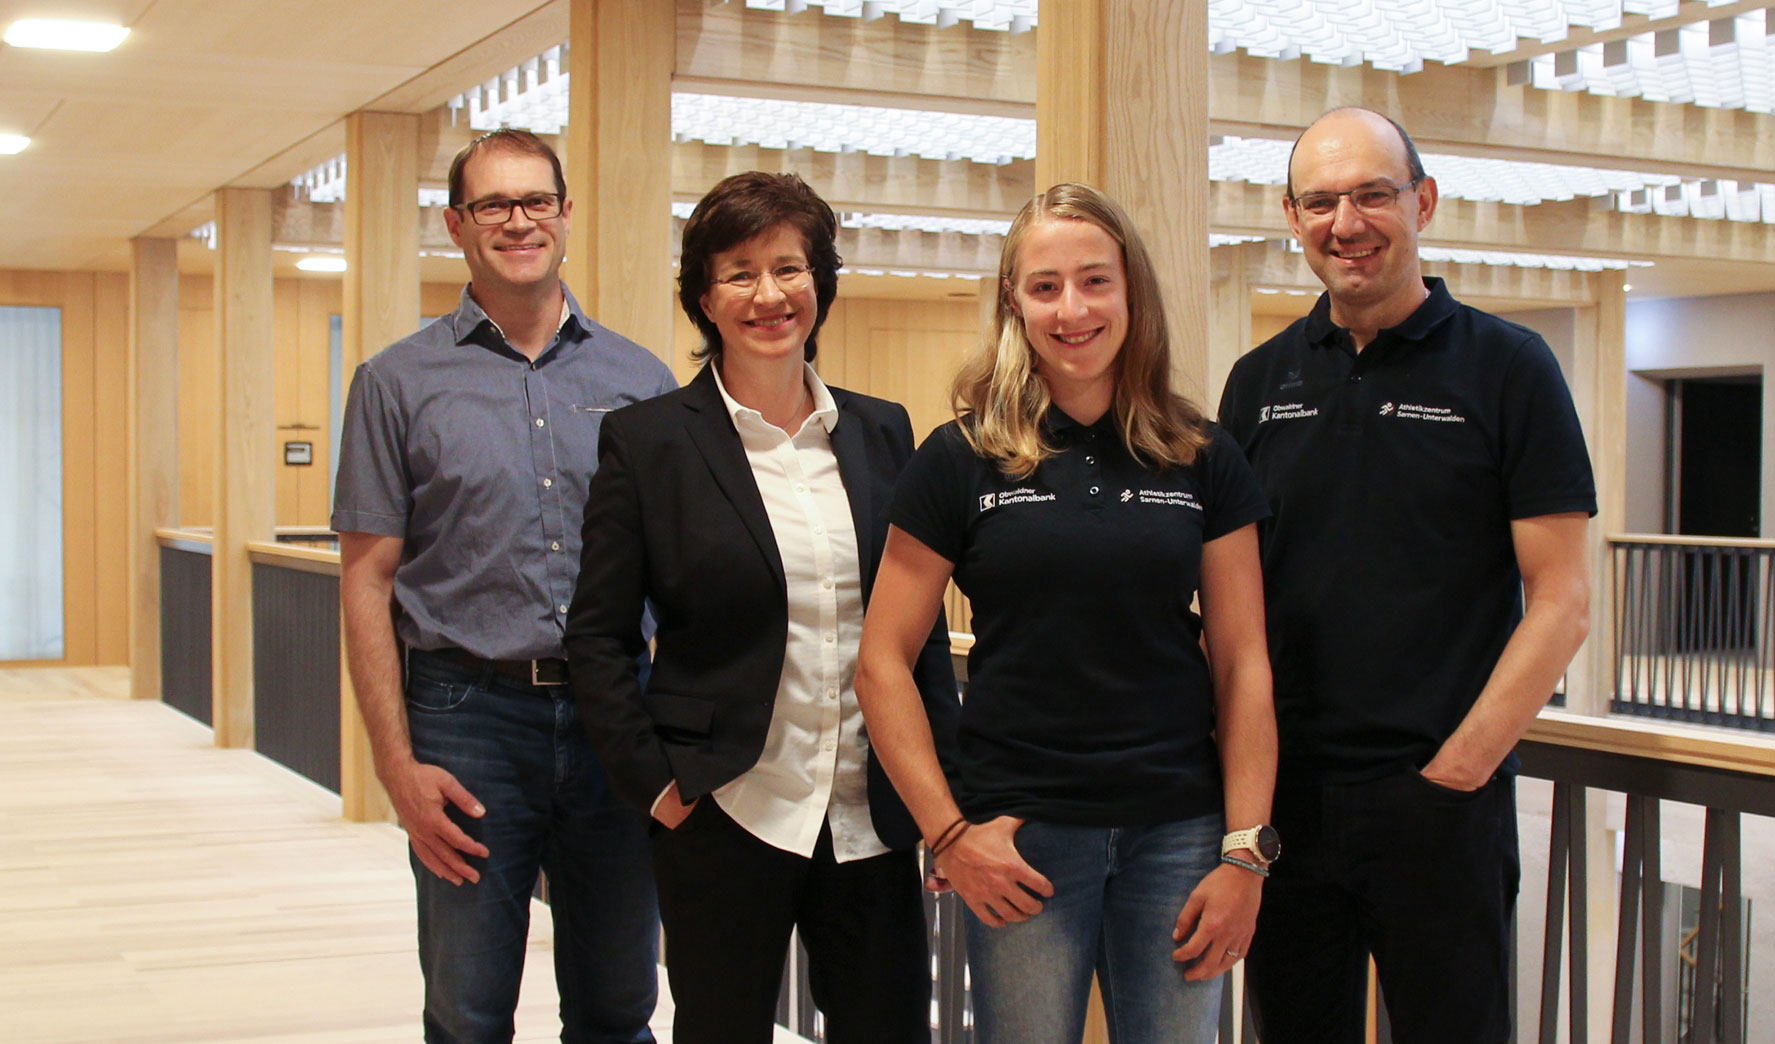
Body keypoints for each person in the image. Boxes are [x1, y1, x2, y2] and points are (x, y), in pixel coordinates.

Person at [854, 182, 1278, 1044]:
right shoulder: (959, 458)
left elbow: (1243, 663)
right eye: (1044, 286)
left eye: (1094, 281)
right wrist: (947, 833)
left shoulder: (1200, 454)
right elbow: (881, 663)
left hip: (1178, 834)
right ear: (1013, 301)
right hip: (1020, 838)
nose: (1071, 308)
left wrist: (1245, 853)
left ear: (1132, 295)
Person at [1216, 107, 1596, 1043]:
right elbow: (1228, 601)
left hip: (1440, 805)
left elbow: (1562, 602)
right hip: (1285, 809)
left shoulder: (1509, 367)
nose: (1345, 222)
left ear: (1421, 202)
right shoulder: (1257, 382)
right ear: (1291, 217)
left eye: (1371, 195)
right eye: (1320, 201)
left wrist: (1453, 776)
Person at [564, 171, 959, 1044]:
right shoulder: (650, 442)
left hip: (870, 813)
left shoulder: (885, 431)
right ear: (703, 297)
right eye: (739, 272)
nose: (768, 294)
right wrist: (658, 787)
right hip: (725, 807)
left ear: (820, 280)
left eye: (790, 266)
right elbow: (596, 637)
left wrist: (944, 802)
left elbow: (917, 629)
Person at [332, 128, 676, 1044]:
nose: (517, 222)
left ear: (565, 215)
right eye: (493, 205)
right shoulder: (394, 383)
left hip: (616, 719)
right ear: (457, 224)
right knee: (469, 1009)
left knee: (618, 1005)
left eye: (535, 202)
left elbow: (678, 569)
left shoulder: (640, 380)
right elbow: (367, 582)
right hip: (465, 718)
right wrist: (393, 767)